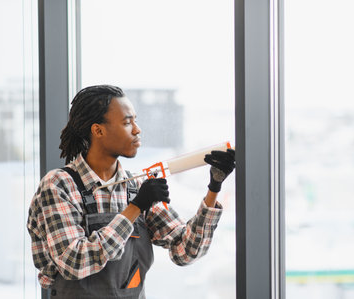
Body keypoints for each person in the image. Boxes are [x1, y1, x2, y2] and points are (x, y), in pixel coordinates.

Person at [27, 85, 235, 298]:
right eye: (127, 122)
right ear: (98, 130)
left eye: (135, 120)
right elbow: (73, 262)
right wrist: (135, 208)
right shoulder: (58, 185)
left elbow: (185, 251)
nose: (137, 129)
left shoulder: (134, 186)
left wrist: (214, 187)